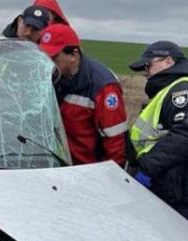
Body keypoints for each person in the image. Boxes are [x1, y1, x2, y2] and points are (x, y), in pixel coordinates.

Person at [126, 41, 188, 234]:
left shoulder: (183, 90)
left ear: (168, 61)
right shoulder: (171, 90)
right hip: (182, 185)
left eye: (148, 65)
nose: (145, 72)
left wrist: (148, 169)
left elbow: (186, 135)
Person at [37, 24, 128, 165]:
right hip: (60, 163)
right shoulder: (54, 76)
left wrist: (110, 177)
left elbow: (116, 141)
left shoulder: (103, 87)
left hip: (88, 170)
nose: (47, 63)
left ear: (73, 55)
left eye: (53, 58)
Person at [2, 0, 68, 41]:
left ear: (55, 16)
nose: (29, 32)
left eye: (36, 29)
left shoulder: (57, 39)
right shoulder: (3, 40)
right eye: (27, 26)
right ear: (19, 21)